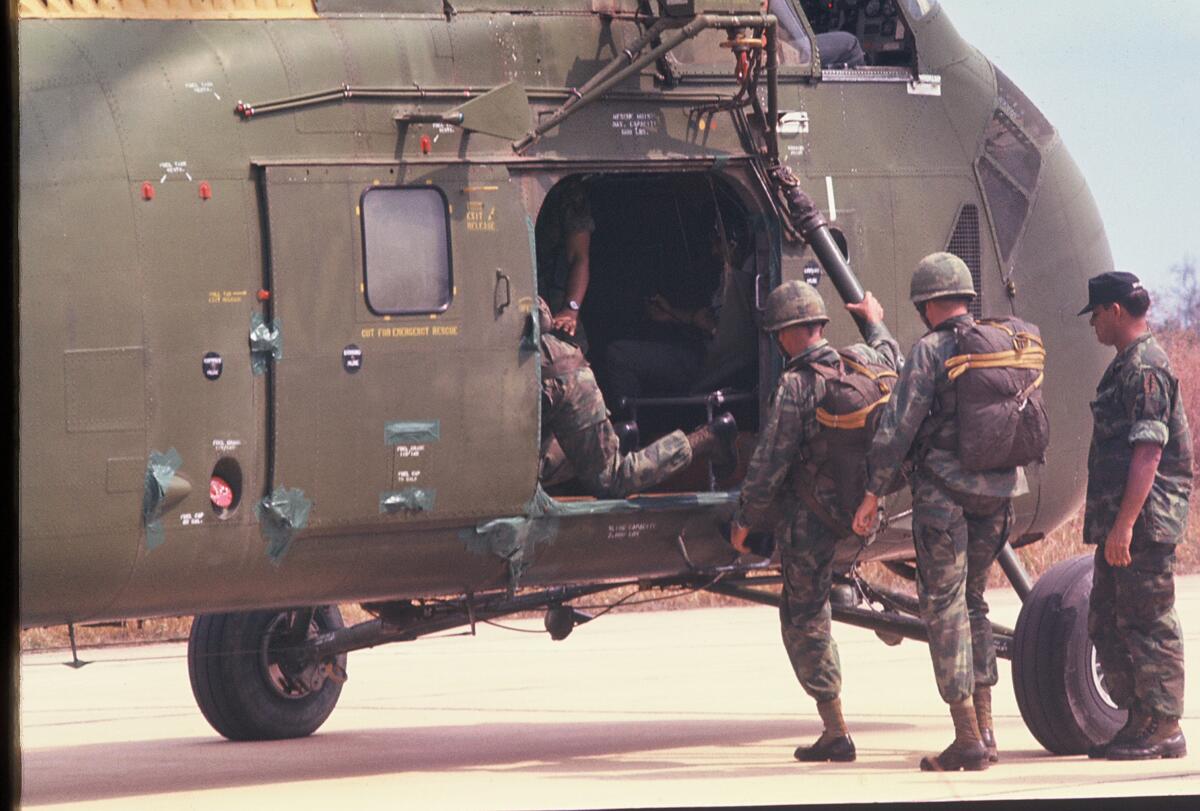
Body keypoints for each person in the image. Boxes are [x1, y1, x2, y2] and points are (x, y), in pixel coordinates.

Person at [851, 252, 1027, 771]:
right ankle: (987, 731)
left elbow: (897, 428)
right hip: (998, 495)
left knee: (944, 609)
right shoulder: (998, 342)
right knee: (973, 604)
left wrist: (873, 493)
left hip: (945, 496)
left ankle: (967, 737)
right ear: (965, 298)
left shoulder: (930, 350)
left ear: (927, 304)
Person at [729, 280, 899, 763]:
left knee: (803, 619)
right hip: (857, 511)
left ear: (787, 334)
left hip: (808, 523)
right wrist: (873, 320)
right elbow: (892, 354)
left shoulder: (796, 385)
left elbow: (769, 462)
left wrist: (743, 521)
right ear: (820, 325)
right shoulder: (860, 362)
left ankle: (835, 730)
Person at [1077, 271, 1191, 760]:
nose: (1093, 325)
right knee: (1107, 620)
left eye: (1096, 314)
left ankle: (1164, 726)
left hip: (1143, 522)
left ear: (1116, 311)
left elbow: (1149, 451)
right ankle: (1140, 719)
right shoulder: (1127, 364)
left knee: (1147, 621)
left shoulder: (1146, 367)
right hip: (1122, 522)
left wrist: (1124, 525)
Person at [537, 298, 737, 498]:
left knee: (610, 479)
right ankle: (607, 442)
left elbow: (541, 317)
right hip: (551, 374)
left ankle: (708, 437)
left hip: (560, 378)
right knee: (542, 465)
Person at [537, 178, 593, 351]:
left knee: (571, 356)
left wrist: (571, 308)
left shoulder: (566, 190)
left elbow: (579, 257)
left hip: (553, 289)